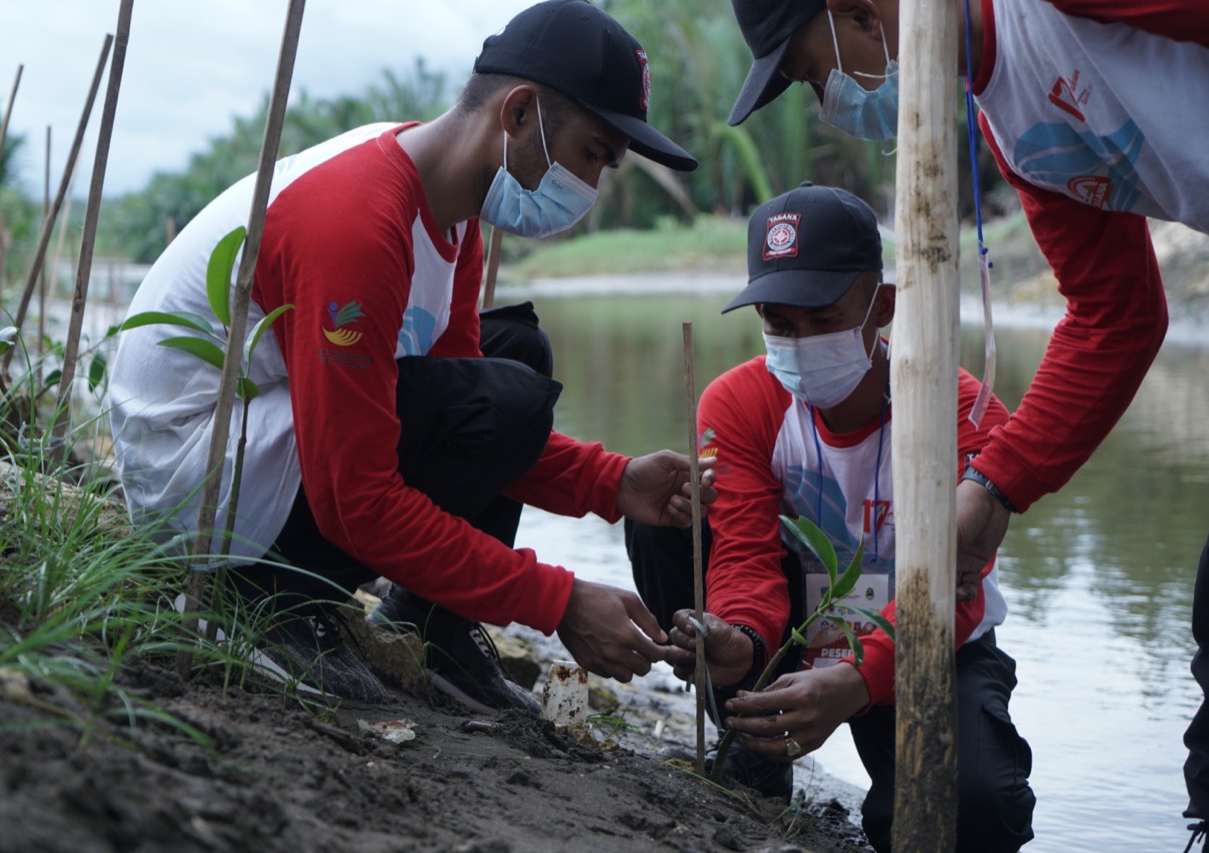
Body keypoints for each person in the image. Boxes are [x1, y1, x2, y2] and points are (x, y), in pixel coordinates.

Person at [108, 0, 714, 714]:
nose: (593, 185)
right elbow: (356, 499)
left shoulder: (454, 213)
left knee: (515, 354)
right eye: (592, 154)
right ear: (519, 114)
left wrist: (612, 483)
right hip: (200, 480)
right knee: (508, 392)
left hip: (274, 435)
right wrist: (557, 600)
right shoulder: (358, 222)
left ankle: (430, 625)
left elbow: (463, 409)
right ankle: (268, 594)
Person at [724, 0, 1209, 839]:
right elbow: (1115, 314)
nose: (823, 100)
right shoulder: (1009, 126)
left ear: (856, 14)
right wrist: (993, 486)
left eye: (811, 72)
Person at [627, 184, 1035, 852]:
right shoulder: (737, 402)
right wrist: (741, 636)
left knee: (976, 809)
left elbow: (958, 588)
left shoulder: (963, 411)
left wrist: (858, 679)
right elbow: (744, 555)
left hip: (925, 643)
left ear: (882, 306)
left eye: (820, 318)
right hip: (791, 632)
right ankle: (750, 735)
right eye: (777, 322)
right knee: (669, 515)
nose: (798, 342)